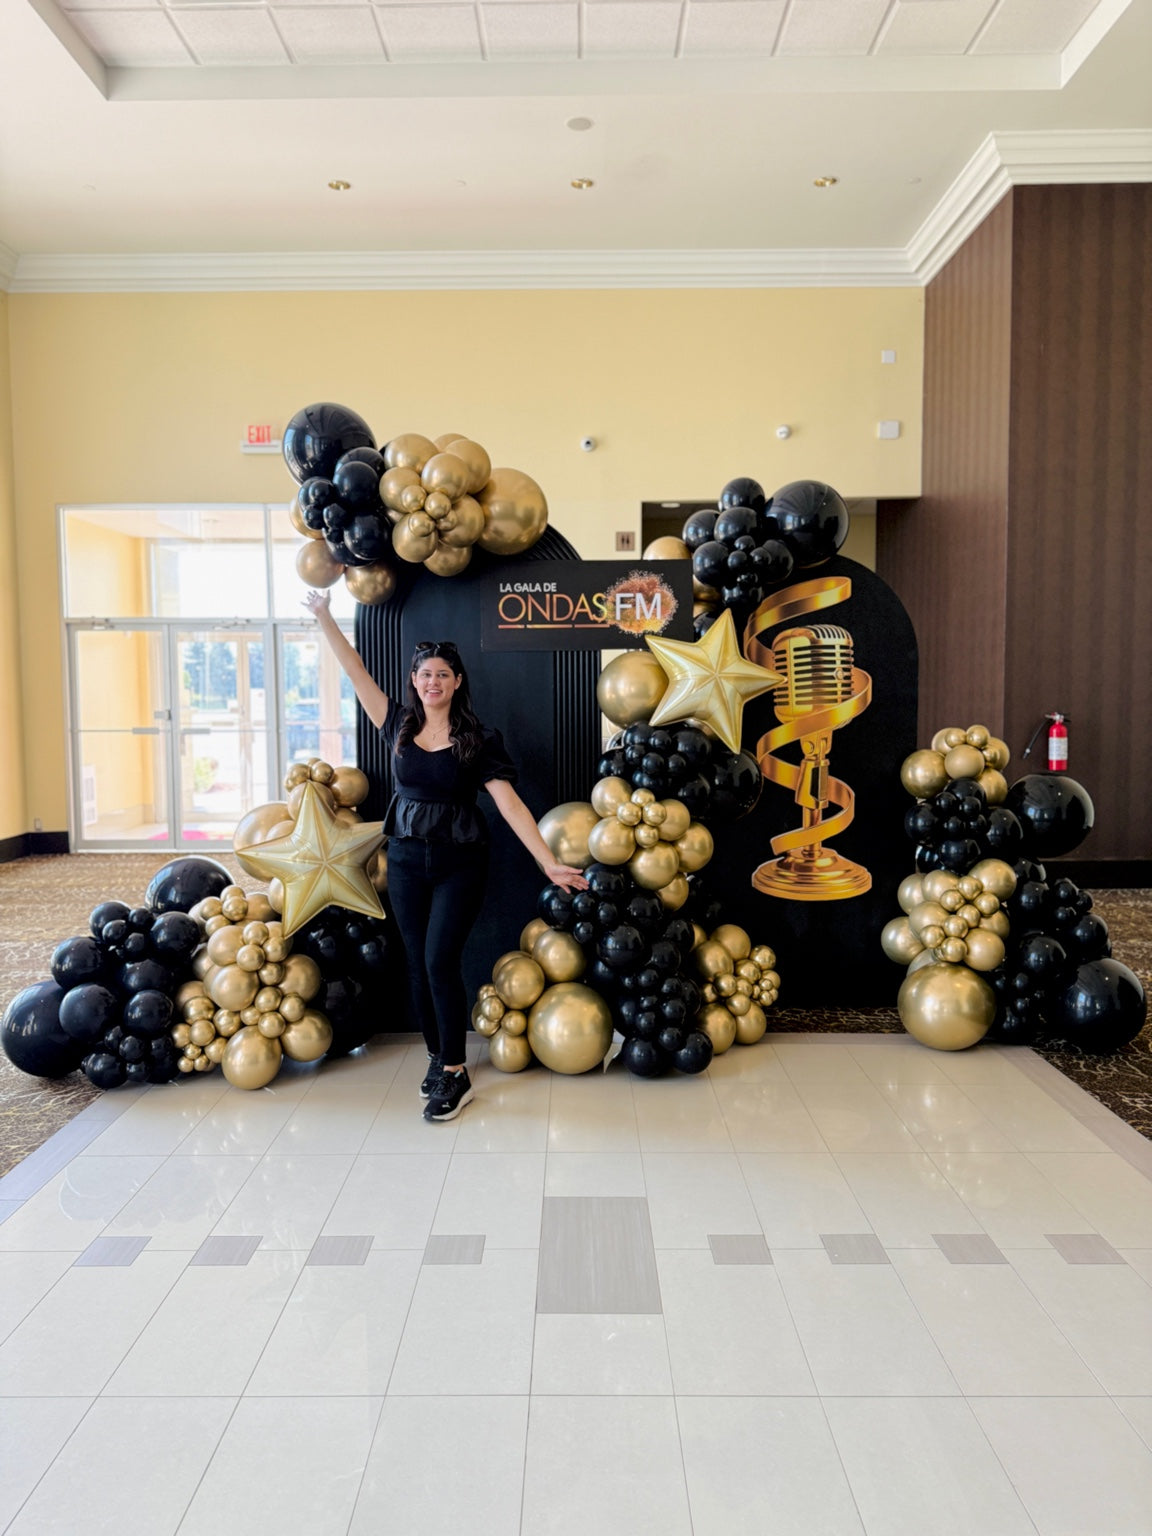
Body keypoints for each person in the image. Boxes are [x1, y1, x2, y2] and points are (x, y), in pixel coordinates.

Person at [303, 589, 587, 1122]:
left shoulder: (478, 739)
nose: (432, 681)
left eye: (442, 674)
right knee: (417, 964)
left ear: (457, 682)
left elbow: (510, 805)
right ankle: (437, 1057)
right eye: (424, 674)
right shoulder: (397, 725)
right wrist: (323, 615)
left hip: (460, 861)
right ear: (414, 681)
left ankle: (456, 1074)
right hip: (406, 858)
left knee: (439, 961)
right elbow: (356, 670)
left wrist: (547, 861)